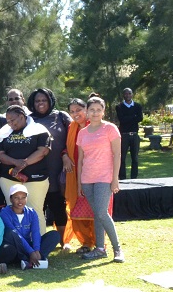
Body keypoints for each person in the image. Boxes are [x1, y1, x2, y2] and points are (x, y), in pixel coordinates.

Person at [77, 96, 124, 262]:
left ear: (103, 111)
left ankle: (117, 249)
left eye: (98, 109)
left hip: (105, 177)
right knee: (97, 213)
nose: (95, 113)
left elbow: (117, 155)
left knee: (101, 213)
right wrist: (79, 184)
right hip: (87, 179)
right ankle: (99, 248)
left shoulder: (110, 129)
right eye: (92, 110)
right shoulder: (82, 133)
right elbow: (80, 160)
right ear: (87, 112)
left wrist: (115, 179)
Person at [0, 105, 52, 234]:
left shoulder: (39, 130)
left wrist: (23, 164)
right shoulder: (4, 132)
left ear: (22, 116)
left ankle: (39, 248)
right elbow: (0, 154)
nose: (10, 124)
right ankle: (17, 246)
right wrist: (16, 163)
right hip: (9, 178)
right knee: (13, 211)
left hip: (36, 178)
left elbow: (43, 151)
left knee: (35, 211)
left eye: (12, 120)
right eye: (8, 121)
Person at [27, 88, 72, 234]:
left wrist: (65, 154)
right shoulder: (28, 119)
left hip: (58, 169)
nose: (41, 103)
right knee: (37, 207)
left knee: (58, 205)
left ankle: (62, 240)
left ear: (50, 101)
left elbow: (73, 138)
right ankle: (40, 237)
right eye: (37, 100)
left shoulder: (61, 117)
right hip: (36, 170)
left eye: (44, 100)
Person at [0, 184, 61, 269]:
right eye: (16, 198)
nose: (20, 201)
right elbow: (16, 234)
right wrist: (31, 252)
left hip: (28, 245)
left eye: (23, 197)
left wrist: (36, 250)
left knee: (55, 235)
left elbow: (36, 232)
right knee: (11, 238)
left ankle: (34, 258)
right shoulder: (4, 213)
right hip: (15, 245)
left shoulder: (31, 212)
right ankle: (31, 259)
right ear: (11, 199)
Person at [62, 98, 96, 252]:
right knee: (77, 208)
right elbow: (65, 147)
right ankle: (86, 242)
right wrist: (65, 156)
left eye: (78, 110)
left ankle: (98, 242)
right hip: (75, 174)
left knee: (94, 209)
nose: (75, 114)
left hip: (94, 173)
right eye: (72, 111)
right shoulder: (72, 127)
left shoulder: (95, 126)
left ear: (86, 110)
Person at [115, 87, 143, 180]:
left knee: (135, 158)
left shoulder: (138, 106)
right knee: (122, 158)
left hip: (134, 135)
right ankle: (122, 178)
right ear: (123, 95)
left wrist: (128, 118)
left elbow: (140, 118)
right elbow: (122, 120)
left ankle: (134, 177)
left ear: (132, 94)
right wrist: (133, 117)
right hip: (124, 135)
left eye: (129, 93)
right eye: (126, 93)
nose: (127, 95)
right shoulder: (119, 107)